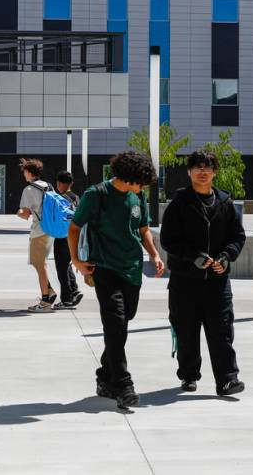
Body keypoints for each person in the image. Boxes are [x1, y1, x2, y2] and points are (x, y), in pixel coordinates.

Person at [67, 150, 164, 409]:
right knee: (115, 325)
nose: (143, 187)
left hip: (131, 269)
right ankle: (124, 385)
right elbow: (74, 228)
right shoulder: (96, 195)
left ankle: (105, 376)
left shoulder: (137, 195)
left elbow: (143, 229)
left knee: (123, 322)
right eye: (140, 181)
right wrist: (76, 261)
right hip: (104, 268)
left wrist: (154, 254)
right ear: (128, 176)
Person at [160, 149, 246, 396]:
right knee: (186, 331)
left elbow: (237, 237)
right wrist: (193, 256)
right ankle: (188, 376)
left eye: (207, 167)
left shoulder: (225, 203)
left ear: (214, 172)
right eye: (197, 167)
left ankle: (228, 380)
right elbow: (168, 240)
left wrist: (226, 257)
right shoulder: (179, 203)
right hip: (185, 281)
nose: (202, 171)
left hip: (218, 282)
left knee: (222, 331)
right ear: (189, 172)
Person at [17, 158, 57, 313]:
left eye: (24, 172)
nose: (24, 175)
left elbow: (25, 213)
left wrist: (18, 213)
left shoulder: (28, 190)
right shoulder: (48, 186)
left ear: (28, 172)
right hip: (50, 230)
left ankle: (45, 301)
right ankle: (50, 291)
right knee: (38, 263)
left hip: (38, 231)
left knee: (40, 266)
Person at [52, 170, 83, 310]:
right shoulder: (76, 197)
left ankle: (66, 299)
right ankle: (74, 291)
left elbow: (58, 218)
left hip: (62, 236)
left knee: (61, 268)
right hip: (75, 236)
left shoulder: (60, 198)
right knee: (67, 265)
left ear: (59, 183)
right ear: (72, 183)